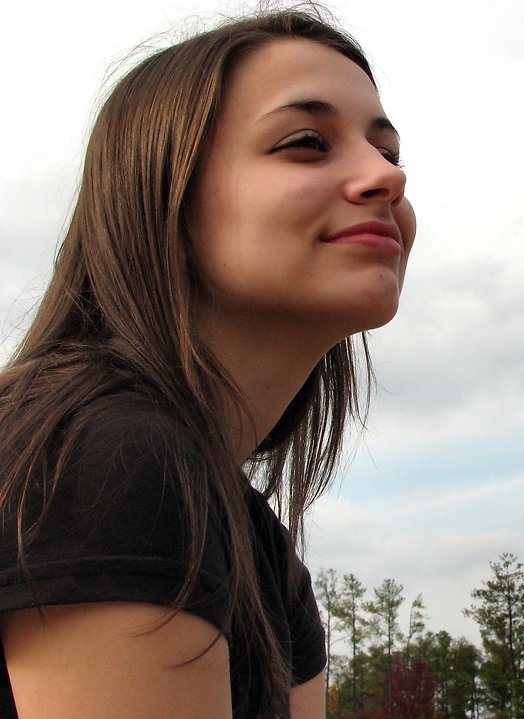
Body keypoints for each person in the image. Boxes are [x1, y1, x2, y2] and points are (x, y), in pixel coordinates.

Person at [0, 5, 415, 718]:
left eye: (390, 152)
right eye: (309, 141)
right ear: (162, 195)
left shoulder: (264, 552)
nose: (385, 177)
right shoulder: (107, 461)